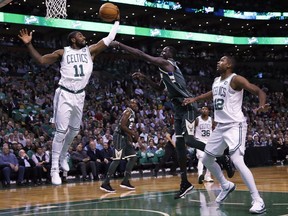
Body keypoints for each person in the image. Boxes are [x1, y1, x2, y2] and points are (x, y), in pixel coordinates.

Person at [111, 41, 234, 199]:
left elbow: (141, 55)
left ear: (171, 55)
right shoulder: (164, 71)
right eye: (161, 50)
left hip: (187, 105)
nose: (162, 52)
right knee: (180, 147)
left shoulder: (167, 63)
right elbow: (159, 88)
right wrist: (145, 78)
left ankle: (222, 156)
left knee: (189, 140)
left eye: (165, 50)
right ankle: (185, 183)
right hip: (178, 109)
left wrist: (120, 45)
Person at [18, 14, 120, 185]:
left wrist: (117, 21)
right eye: (80, 35)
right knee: (60, 132)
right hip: (64, 93)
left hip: (80, 95)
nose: (84, 37)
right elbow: (42, 60)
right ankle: (54, 170)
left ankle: (64, 154)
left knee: (74, 131)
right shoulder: (62, 52)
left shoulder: (90, 52)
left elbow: (109, 38)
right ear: (73, 39)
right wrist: (29, 44)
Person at [183, 55, 269, 214]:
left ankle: (258, 200)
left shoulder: (236, 79)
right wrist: (195, 98)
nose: (218, 62)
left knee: (237, 160)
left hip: (235, 125)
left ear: (229, 65)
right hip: (220, 127)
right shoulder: (216, 80)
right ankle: (225, 185)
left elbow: (258, 90)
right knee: (207, 158)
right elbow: (212, 93)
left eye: (222, 60)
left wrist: (261, 105)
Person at [100, 99, 139, 193]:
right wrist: (133, 133)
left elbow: (127, 128)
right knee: (117, 159)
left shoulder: (132, 113)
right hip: (119, 137)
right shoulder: (128, 112)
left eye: (135, 103)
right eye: (132, 102)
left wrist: (130, 138)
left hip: (124, 137)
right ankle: (105, 183)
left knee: (133, 157)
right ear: (129, 104)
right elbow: (122, 126)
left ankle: (125, 181)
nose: (134, 104)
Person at [193, 106, 214, 184]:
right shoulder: (197, 119)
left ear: (208, 111)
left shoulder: (211, 120)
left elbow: (214, 129)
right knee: (201, 158)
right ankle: (200, 175)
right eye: (202, 109)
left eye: (206, 109)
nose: (204, 110)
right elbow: (191, 129)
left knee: (210, 159)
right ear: (200, 111)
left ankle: (208, 176)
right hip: (199, 141)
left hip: (209, 141)